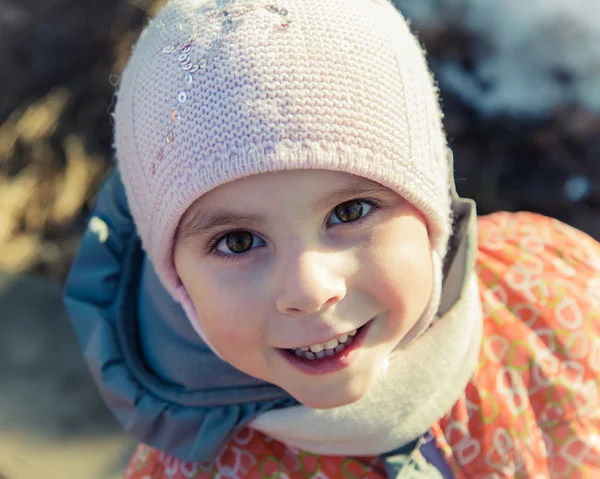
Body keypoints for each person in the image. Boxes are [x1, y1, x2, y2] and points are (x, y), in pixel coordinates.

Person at [63, 0, 600, 477]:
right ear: (175, 276)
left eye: (350, 210)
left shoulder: (556, 290)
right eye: (239, 242)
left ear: (429, 197)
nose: (310, 288)